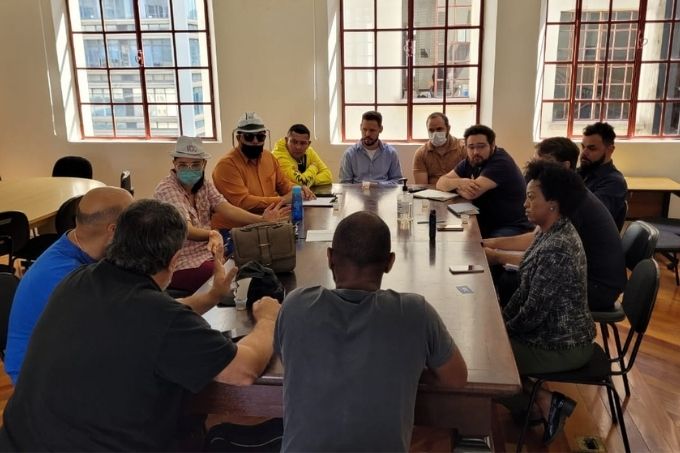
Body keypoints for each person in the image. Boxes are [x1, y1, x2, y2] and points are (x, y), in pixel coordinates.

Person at [0, 199, 280, 451]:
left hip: (19, 440)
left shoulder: (78, 280)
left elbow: (149, 318)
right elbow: (242, 371)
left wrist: (211, 297)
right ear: (173, 260)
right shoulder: (159, 316)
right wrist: (268, 318)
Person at [275, 211, 468, 451]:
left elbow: (291, 360)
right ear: (390, 262)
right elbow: (456, 378)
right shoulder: (415, 312)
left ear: (330, 258)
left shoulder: (295, 305)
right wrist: (407, 367)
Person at [501, 160, 595, 445]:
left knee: (482, 363)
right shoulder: (548, 231)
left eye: (532, 198)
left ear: (553, 204)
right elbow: (525, 293)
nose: (525, 204)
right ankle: (537, 402)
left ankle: (540, 401)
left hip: (562, 344)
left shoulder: (558, 246)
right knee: (489, 346)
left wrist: (503, 332)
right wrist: (502, 321)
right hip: (550, 334)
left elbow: (534, 313)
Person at [4, 186, 133, 385]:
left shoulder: (77, 244)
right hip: (38, 378)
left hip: (60, 354)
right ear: (113, 229)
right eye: (134, 223)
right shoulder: (67, 276)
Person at [484, 137, 627, 311]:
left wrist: (497, 256)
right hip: (582, 277)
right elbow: (536, 239)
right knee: (508, 274)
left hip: (595, 289)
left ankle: (510, 331)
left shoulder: (572, 204)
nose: (537, 171)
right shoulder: (563, 194)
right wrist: (490, 243)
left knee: (511, 280)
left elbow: (546, 260)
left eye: (543, 165)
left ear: (564, 167)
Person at [155, 136, 289, 293]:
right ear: (174, 164)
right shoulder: (167, 190)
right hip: (180, 264)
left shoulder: (203, 185)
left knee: (257, 267)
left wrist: (262, 220)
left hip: (210, 254)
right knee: (242, 281)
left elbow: (226, 208)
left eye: (195, 164)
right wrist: (211, 234)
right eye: (183, 165)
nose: (189, 169)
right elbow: (185, 229)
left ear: (204, 164)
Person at [212, 112, 315, 230]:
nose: (255, 141)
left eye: (260, 137)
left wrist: (298, 189)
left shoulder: (268, 157)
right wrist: (282, 200)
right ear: (238, 138)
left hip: (269, 223)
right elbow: (243, 202)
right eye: (249, 137)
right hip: (235, 230)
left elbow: (283, 184)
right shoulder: (226, 166)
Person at [436, 124, 532, 238]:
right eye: (471, 147)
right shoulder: (471, 161)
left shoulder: (501, 162)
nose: (476, 151)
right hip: (485, 221)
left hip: (510, 226)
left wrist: (454, 186)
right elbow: (440, 182)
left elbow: (471, 193)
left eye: (481, 146)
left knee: (477, 247)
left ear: (492, 145)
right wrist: (460, 183)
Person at [579, 122, 628, 230]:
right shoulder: (582, 172)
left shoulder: (614, 182)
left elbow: (589, 216)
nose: (584, 153)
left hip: (590, 243)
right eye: (583, 147)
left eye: (592, 148)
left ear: (610, 150)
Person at [339, 110, 403, 185]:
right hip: (357, 195)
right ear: (360, 127)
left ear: (380, 129)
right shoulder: (349, 154)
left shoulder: (391, 153)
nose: (367, 134)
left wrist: (379, 185)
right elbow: (344, 184)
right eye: (364, 129)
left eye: (372, 130)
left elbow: (398, 181)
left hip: (384, 195)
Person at [412, 112, 465, 185]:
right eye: (431, 130)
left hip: (459, 194)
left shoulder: (463, 149)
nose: (435, 133)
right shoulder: (421, 153)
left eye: (439, 129)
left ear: (448, 128)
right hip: (431, 194)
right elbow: (421, 186)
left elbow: (468, 180)